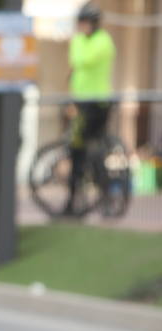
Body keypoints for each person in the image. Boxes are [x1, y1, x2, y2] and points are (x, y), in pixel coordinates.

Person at [67, 2, 115, 216]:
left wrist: (78, 56)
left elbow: (82, 59)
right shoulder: (79, 40)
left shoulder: (103, 41)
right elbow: (75, 61)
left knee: (94, 150)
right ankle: (74, 201)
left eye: (86, 23)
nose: (82, 27)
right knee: (76, 149)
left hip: (97, 103)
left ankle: (105, 199)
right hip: (80, 101)